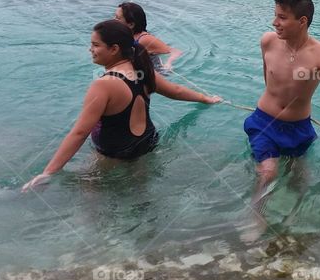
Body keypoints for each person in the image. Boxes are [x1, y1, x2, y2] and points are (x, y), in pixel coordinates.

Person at [22, 20, 220, 191]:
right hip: (147, 145)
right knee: (140, 197)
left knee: (90, 198)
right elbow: (175, 91)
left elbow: (79, 133)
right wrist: (206, 98)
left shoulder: (104, 84)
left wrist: (48, 172)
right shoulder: (143, 71)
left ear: (114, 49)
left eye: (95, 45)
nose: (90, 49)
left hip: (114, 155)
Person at [242, 0, 320, 239]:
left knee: (302, 180)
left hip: (299, 127)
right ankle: (257, 216)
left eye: (282, 18)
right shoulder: (267, 41)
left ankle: (293, 218)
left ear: (302, 21)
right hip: (264, 121)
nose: (274, 22)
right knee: (268, 171)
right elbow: (270, 81)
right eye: (275, 15)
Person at [115, 2, 182, 71]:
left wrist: (168, 63)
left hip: (158, 72)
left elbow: (176, 51)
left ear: (131, 25)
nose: (113, 20)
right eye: (115, 17)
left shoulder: (144, 39)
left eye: (118, 18)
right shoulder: (125, 35)